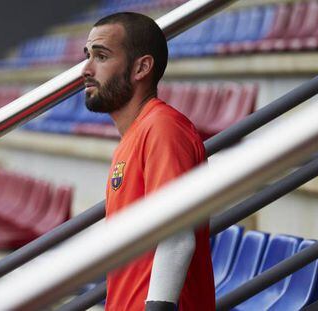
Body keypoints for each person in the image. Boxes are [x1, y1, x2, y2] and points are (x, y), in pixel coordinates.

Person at [82, 12, 215, 311]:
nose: (86, 69)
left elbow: (176, 236)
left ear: (142, 67)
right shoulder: (135, 135)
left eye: (101, 56)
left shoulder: (163, 128)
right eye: (87, 55)